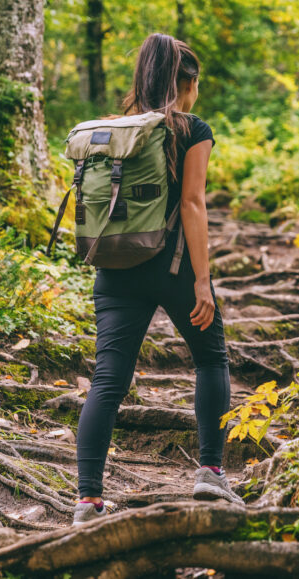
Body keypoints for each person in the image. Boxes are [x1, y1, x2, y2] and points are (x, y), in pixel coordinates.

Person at [72, 33, 243, 526]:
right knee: (211, 358)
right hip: (173, 268)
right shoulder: (191, 128)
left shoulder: (112, 129)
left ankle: (87, 500)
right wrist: (202, 281)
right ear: (184, 82)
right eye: (196, 85)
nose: (197, 95)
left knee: (107, 379)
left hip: (116, 268)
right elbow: (192, 203)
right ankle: (210, 472)